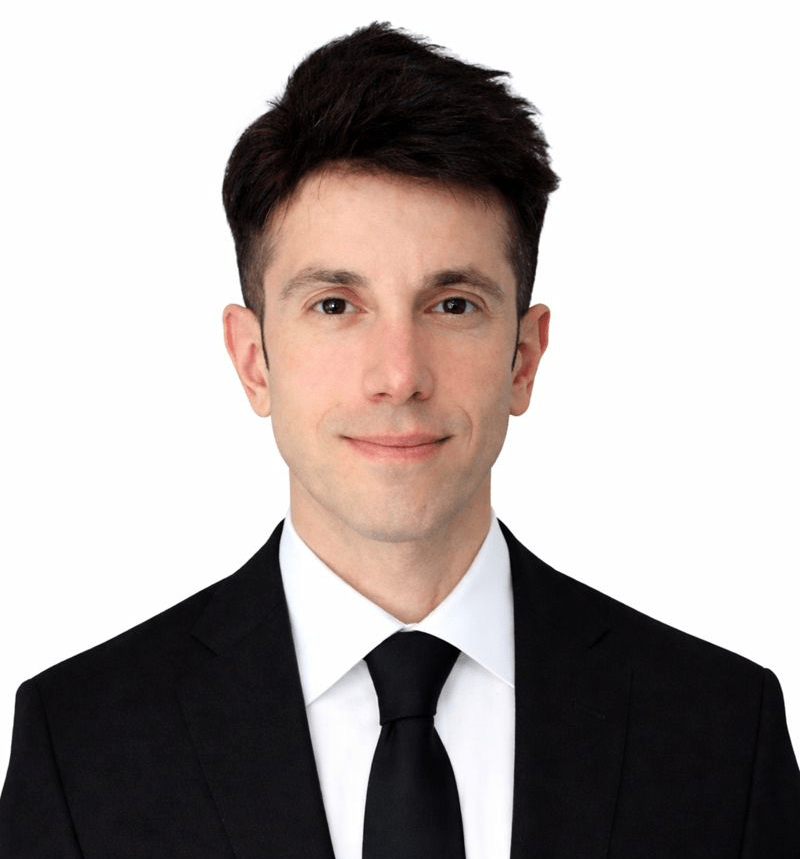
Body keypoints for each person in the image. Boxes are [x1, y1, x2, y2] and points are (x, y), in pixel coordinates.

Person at [1, 21, 798, 859]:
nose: (399, 374)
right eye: (336, 305)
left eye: (452, 304)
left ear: (523, 358)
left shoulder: (718, 733)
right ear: (254, 360)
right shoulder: (82, 745)